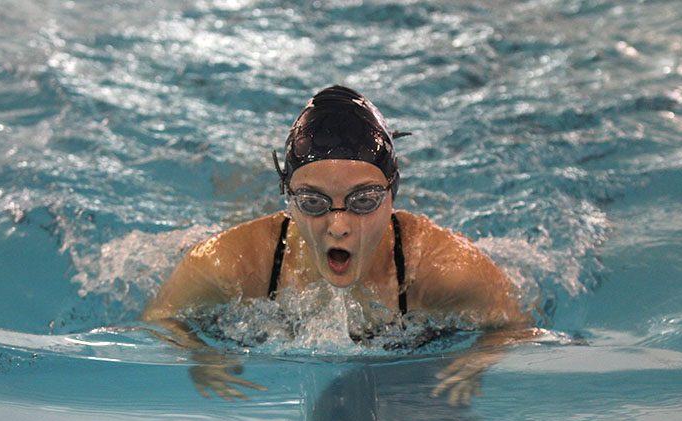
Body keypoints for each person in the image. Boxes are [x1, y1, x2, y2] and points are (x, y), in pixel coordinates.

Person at [143, 85, 531, 404]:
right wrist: (202, 356)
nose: (339, 226)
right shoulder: (228, 262)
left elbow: (514, 326)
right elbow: (161, 318)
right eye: (313, 203)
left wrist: (480, 359)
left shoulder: (446, 268)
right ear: (289, 198)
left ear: (393, 195)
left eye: (364, 201)